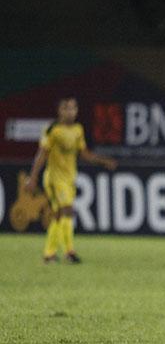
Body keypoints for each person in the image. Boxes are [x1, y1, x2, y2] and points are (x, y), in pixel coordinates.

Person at [25, 97, 117, 263]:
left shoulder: (77, 130)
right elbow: (42, 154)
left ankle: (50, 254)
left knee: (60, 215)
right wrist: (32, 178)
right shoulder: (52, 130)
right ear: (59, 111)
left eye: (73, 108)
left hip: (69, 178)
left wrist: (104, 161)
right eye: (66, 108)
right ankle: (68, 252)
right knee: (67, 210)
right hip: (54, 178)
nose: (70, 112)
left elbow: (85, 154)